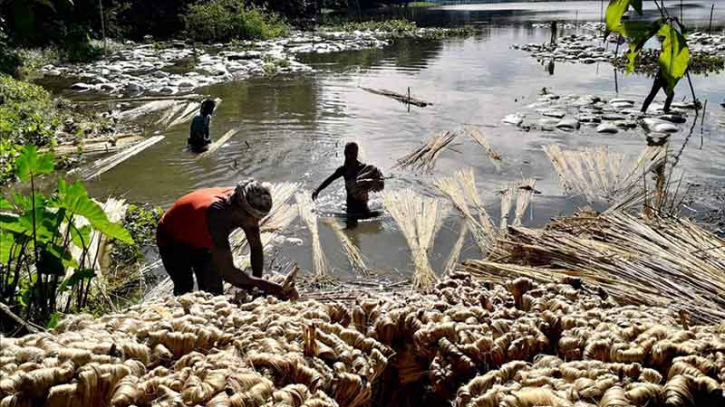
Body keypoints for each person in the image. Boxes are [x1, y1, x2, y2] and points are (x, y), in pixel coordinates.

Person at [156, 179, 292, 298]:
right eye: (254, 219)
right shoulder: (217, 215)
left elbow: (255, 247)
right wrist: (263, 285)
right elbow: (227, 272)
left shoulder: (244, 205)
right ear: (240, 210)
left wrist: (257, 282)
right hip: (173, 239)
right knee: (184, 289)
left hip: (202, 239)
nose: (256, 224)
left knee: (213, 291)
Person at [312, 142, 384, 220]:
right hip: (350, 207)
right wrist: (317, 190)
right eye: (349, 152)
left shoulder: (363, 168)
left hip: (363, 207)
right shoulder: (343, 169)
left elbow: (377, 183)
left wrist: (375, 183)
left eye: (353, 152)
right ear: (345, 153)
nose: (351, 155)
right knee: (350, 227)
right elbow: (329, 180)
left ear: (356, 153)